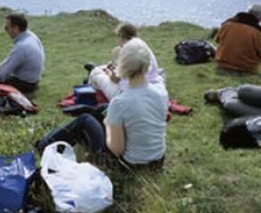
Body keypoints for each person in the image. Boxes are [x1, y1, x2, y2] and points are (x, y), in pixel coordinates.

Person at [35, 38, 169, 168]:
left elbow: (116, 149)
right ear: (147, 65)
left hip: (128, 165)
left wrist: (108, 125)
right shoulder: (161, 93)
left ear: (122, 67)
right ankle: (88, 119)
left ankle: (43, 146)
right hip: (157, 161)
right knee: (104, 108)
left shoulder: (121, 102)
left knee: (84, 120)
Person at [87, 23, 165, 101]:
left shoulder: (123, 50)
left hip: (128, 93)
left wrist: (108, 73)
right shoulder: (143, 45)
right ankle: (100, 68)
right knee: (106, 66)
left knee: (96, 73)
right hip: (150, 85)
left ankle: (91, 76)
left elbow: (115, 79)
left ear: (121, 36)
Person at [214, 4, 261, 73]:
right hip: (247, 68)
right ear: (260, 19)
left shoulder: (227, 24)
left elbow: (217, 40)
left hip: (222, 64)